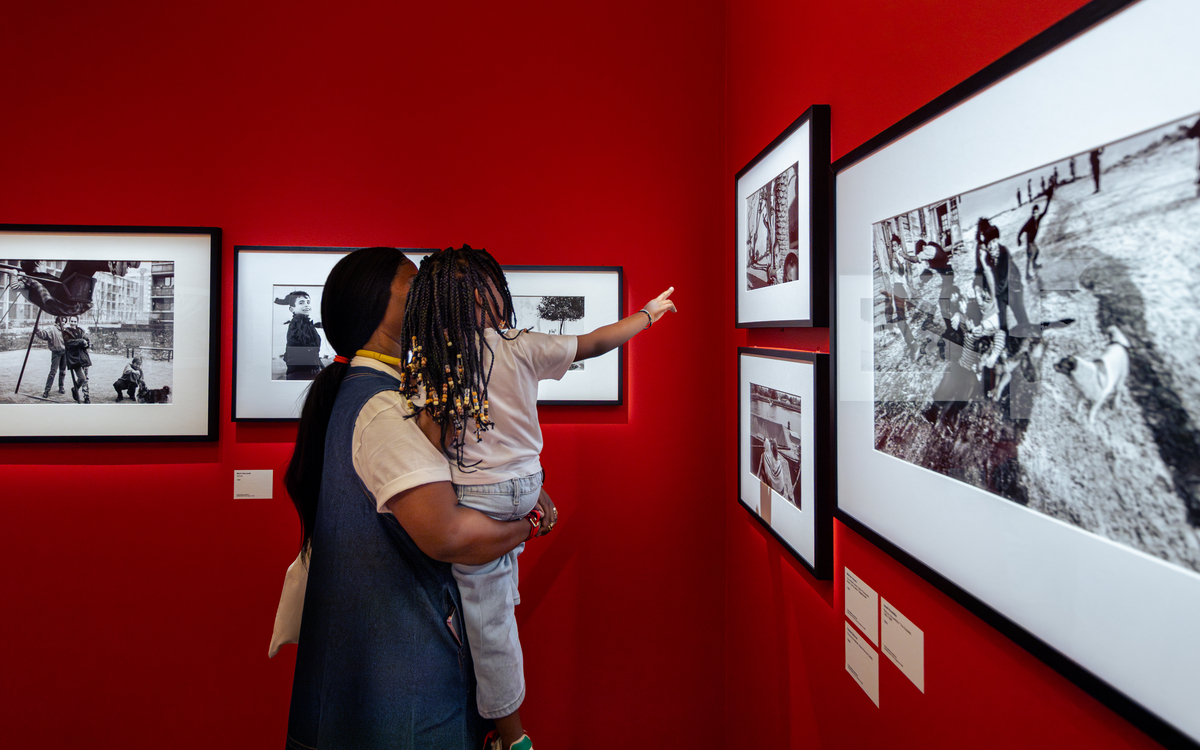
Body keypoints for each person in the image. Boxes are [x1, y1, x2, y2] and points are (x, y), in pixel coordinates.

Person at [399, 245, 676, 750]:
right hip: (526, 485)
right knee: (499, 587)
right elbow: (595, 343)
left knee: (491, 630)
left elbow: (430, 444)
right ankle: (501, 584)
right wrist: (647, 315)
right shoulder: (520, 345)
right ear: (487, 294)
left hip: (478, 493)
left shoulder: (439, 361)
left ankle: (513, 738)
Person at [283, 247, 554, 749]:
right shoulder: (383, 408)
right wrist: (530, 520)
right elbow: (450, 536)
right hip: (400, 675)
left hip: (386, 668)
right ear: (376, 305)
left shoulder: (380, 392)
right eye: (415, 287)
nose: (433, 296)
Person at [276, 290, 324, 380]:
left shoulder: (306, 323)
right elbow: (305, 348)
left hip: (307, 371)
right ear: (292, 309)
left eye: (308, 302)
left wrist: (320, 367)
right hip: (301, 373)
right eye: (301, 303)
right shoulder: (298, 322)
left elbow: (313, 352)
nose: (306, 305)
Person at [34, 316, 67, 398]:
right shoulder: (52, 329)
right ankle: (47, 390)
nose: (63, 323)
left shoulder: (65, 330)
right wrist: (37, 330)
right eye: (61, 321)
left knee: (63, 371)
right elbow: (44, 334)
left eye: (64, 321)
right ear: (57, 321)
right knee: (53, 372)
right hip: (56, 353)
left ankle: (61, 387)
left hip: (64, 353)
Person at [756, 437, 795, 504]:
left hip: (772, 486)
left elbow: (765, 471)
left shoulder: (764, 455)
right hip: (780, 487)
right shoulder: (778, 459)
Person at [63, 315, 91, 404]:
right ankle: (75, 389)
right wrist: (81, 341)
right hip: (74, 358)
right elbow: (68, 343)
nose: (73, 323)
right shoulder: (66, 332)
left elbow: (87, 341)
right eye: (71, 321)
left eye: (75, 321)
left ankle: (86, 396)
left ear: (77, 322)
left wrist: (87, 344)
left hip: (83, 357)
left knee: (86, 378)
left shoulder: (81, 331)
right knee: (81, 378)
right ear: (69, 322)